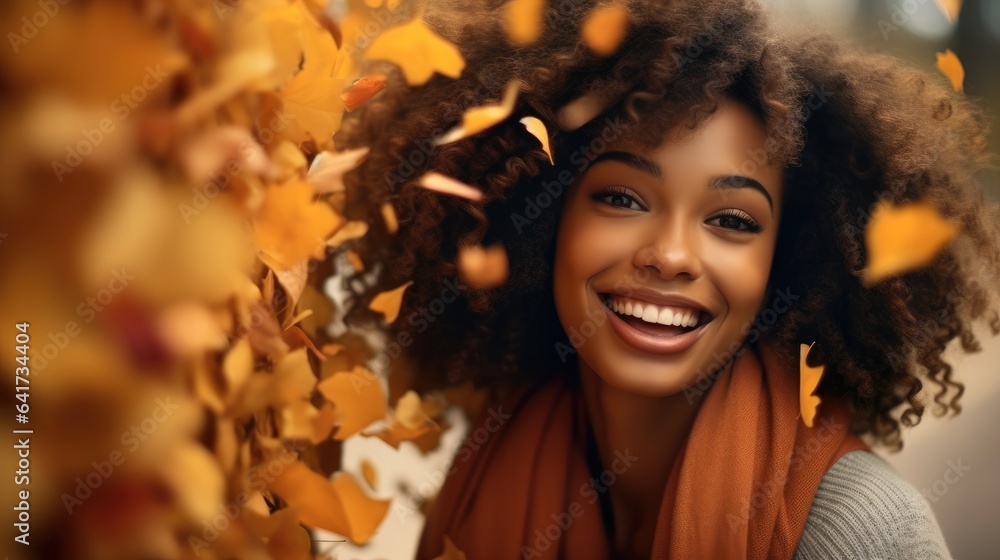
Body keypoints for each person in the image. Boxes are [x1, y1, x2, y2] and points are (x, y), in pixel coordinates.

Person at [337, 0, 1000, 558]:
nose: (671, 255)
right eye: (623, 200)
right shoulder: (488, 470)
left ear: (783, 263)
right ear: (543, 219)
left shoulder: (863, 532)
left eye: (733, 220)